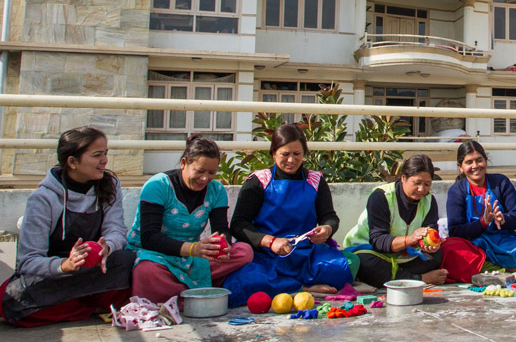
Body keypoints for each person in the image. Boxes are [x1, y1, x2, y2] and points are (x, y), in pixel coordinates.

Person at [0, 127, 135, 327]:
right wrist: (65, 265)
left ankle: (78, 305)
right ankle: (89, 306)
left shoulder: (110, 185)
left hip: (96, 269)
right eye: (97, 155)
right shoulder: (43, 199)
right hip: (56, 275)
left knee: (131, 261)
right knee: (11, 298)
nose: (105, 160)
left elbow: (116, 230)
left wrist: (107, 247)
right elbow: (27, 261)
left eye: (105, 153)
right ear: (72, 162)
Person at [223, 124, 354, 307]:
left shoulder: (315, 180)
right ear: (273, 153)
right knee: (245, 282)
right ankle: (305, 288)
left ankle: (287, 286)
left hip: (306, 254)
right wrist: (270, 241)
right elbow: (238, 224)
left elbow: (329, 216)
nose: (291, 160)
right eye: (285, 154)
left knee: (343, 268)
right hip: (266, 255)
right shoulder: (258, 182)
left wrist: (327, 228)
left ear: (304, 153)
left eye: (297, 154)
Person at [127, 135, 252, 303]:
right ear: (183, 163)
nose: (205, 178)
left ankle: (176, 293)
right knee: (146, 271)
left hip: (192, 257)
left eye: (211, 173)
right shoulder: (158, 186)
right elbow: (149, 238)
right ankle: (197, 293)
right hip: (154, 255)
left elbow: (221, 228)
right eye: (200, 171)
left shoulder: (216, 190)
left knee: (244, 252)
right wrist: (193, 249)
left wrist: (223, 243)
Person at [343, 154, 448, 287]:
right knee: (365, 262)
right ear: (403, 178)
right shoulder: (381, 196)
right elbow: (378, 241)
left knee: (436, 256)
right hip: (372, 252)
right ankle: (419, 278)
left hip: (405, 255)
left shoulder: (429, 200)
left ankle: (396, 277)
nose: (422, 189)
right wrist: (410, 239)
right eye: (417, 183)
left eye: (427, 184)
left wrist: (432, 245)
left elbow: (431, 230)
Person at [446, 140, 516, 276]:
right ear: (460, 167)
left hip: (504, 241)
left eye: (479, 160)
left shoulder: (500, 182)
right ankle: (508, 270)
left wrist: (503, 219)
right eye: (469, 162)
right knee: (456, 250)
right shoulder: (457, 191)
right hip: (476, 243)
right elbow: (455, 231)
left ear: (486, 159)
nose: (475, 166)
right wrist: (483, 222)